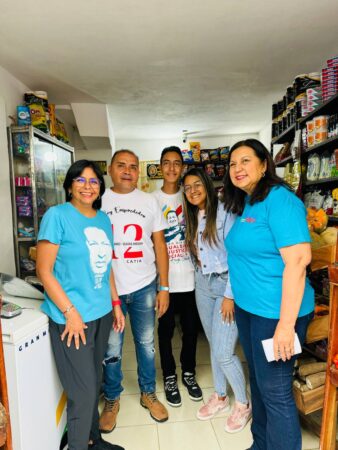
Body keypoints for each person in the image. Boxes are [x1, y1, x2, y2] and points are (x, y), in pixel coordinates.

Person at [223, 139, 315, 450]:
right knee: (259, 386)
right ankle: (260, 445)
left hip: (277, 314)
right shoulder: (248, 202)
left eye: (246, 161)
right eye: (233, 164)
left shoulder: (281, 201)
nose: (238, 168)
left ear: (264, 165)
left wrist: (286, 326)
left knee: (275, 392)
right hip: (250, 311)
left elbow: (299, 261)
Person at [36, 160, 125, 450]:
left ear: (100, 187)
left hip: (99, 314)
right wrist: (70, 313)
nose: (88, 187)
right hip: (71, 320)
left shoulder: (103, 219)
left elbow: (108, 267)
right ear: (70, 185)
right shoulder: (56, 216)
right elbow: (44, 271)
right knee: (83, 392)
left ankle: (93, 440)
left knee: (95, 381)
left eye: (94, 181)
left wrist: (115, 304)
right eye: (81, 180)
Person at [99, 149, 169, 433]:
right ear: (110, 169)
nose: (127, 171)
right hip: (109, 288)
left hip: (144, 286)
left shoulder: (149, 200)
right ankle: (112, 399)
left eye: (132, 166)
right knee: (112, 347)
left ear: (138, 171)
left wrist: (164, 286)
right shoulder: (98, 200)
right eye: (121, 165)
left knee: (146, 344)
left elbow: (160, 245)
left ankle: (148, 393)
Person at [182, 168, 251, 432]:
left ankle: (243, 403)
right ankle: (221, 396)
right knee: (213, 344)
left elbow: (237, 255)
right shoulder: (191, 216)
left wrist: (229, 295)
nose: (193, 191)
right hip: (202, 283)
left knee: (224, 351)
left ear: (208, 185)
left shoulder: (226, 211)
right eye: (187, 188)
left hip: (225, 284)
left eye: (197, 184)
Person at [152, 146, 202, 407]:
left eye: (176, 163)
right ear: (160, 167)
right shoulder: (151, 200)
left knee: (191, 330)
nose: (172, 168)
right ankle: (169, 375)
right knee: (165, 331)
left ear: (182, 167)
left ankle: (189, 372)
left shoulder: (190, 196)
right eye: (166, 163)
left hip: (192, 279)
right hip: (165, 282)